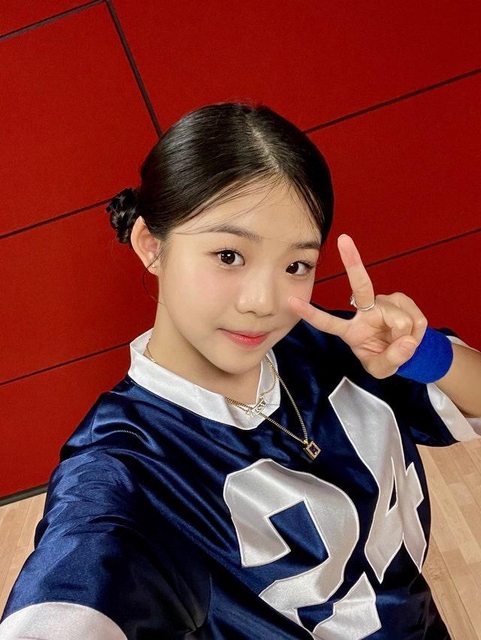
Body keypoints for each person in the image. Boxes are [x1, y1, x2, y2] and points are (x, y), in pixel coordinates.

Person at [1, 101, 480, 640]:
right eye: (229, 255)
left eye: (296, 265)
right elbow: (80, 577)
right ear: (152, 246)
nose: (263, 302)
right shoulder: (125, 464)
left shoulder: (346, 347)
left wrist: (425, 354)